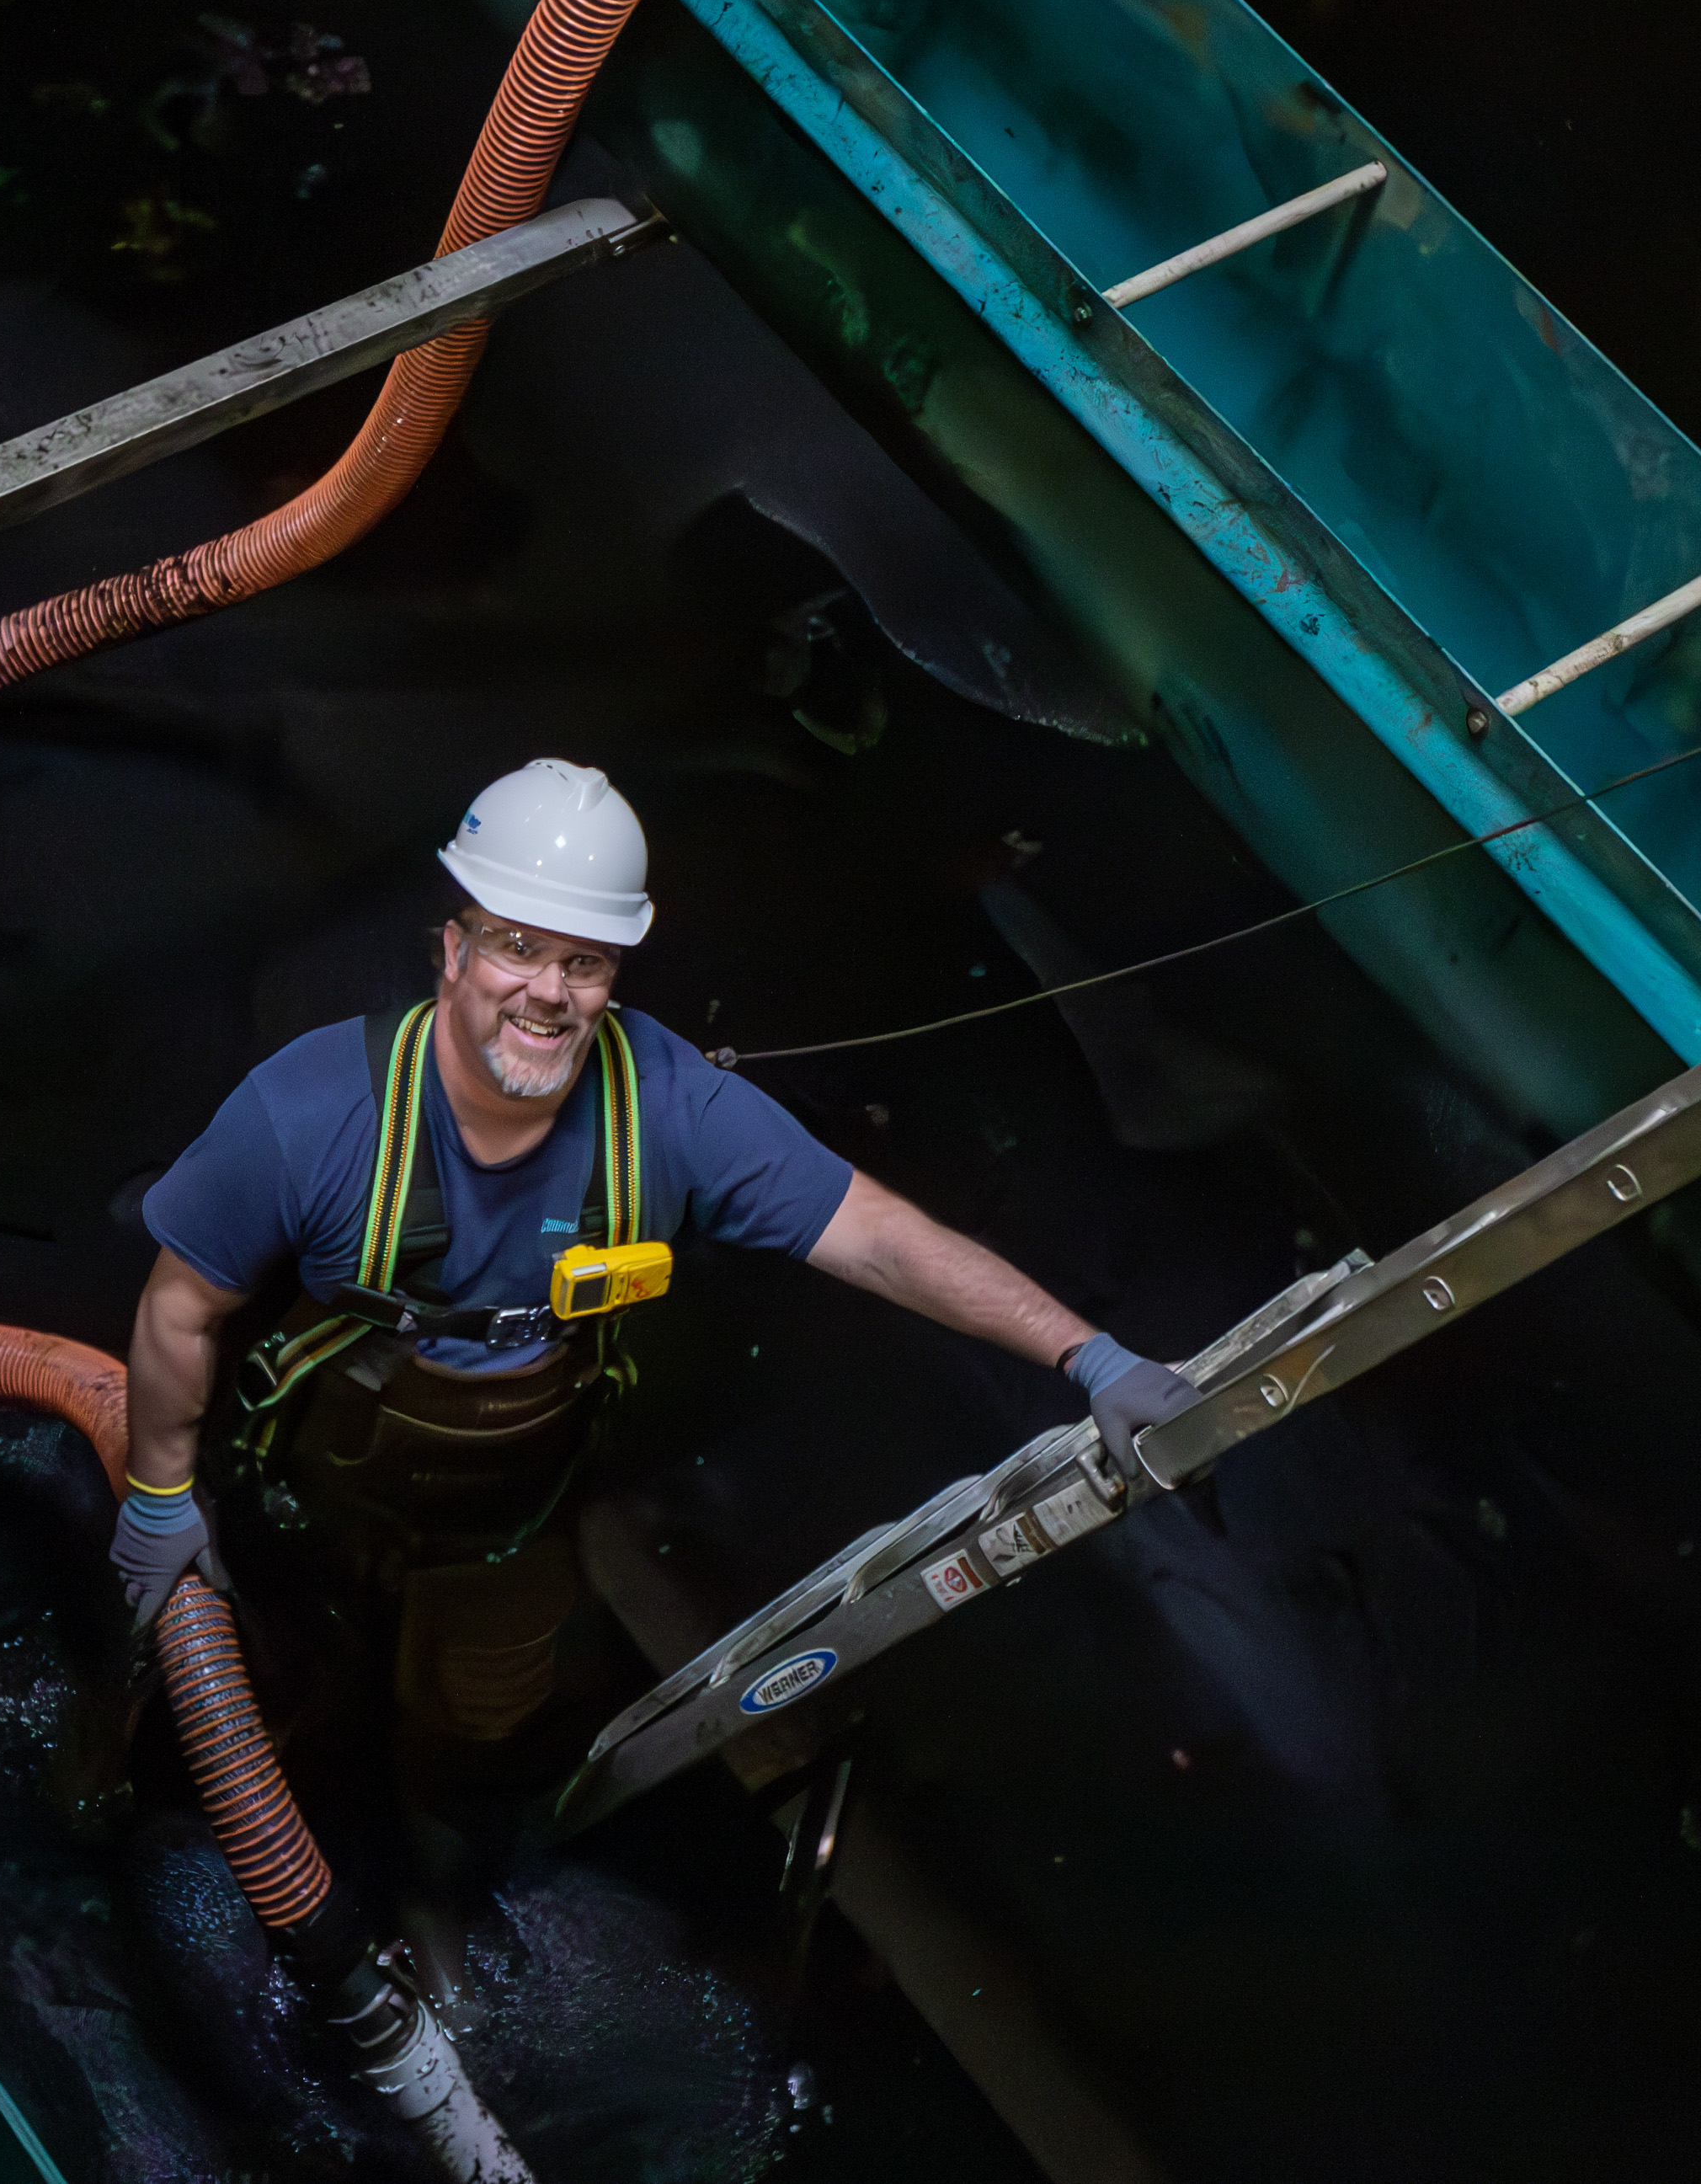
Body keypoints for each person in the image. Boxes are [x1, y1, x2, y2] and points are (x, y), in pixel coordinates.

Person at [109, 757, 1199, 1769]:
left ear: (614, 974)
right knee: (247, 1688)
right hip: (304, 1482)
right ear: (453, 949)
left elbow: (878, 1236)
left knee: (479, 1732)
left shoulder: (669, 1111)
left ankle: (445, 1822)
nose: (548, 992)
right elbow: (178, 1311)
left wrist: (1088, 1353)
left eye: (582, 961)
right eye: (517, 946)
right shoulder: (311, 1113)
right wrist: (159, 1495)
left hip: (510, 1518)